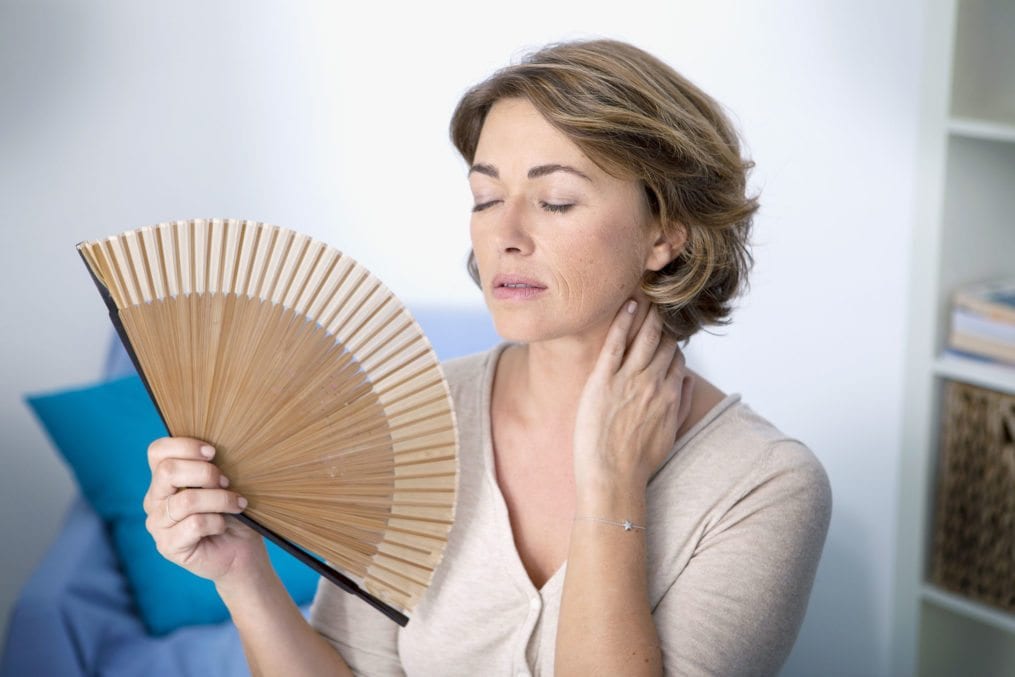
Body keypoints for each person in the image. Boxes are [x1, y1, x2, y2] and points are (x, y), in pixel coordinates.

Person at [143, 38, 832, 676]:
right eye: (485, 196)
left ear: (664, 235)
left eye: (555, 200)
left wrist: (612, 487)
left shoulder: (765, 485)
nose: (503, 234)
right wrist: (242, 574)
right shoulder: (411, 418)